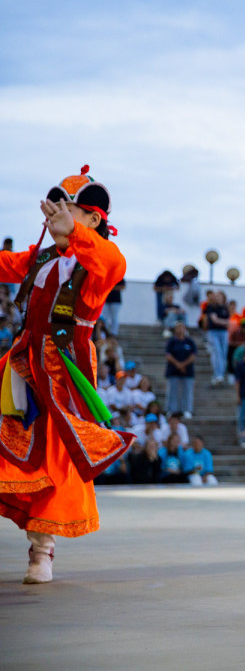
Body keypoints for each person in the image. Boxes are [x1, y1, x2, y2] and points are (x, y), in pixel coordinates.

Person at [0, 167, 134, 583]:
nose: (56, 217)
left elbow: (113, 260)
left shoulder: (97, 266)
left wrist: (75, 235)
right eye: (54, 209)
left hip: (63, 370)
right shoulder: (41, 258)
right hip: (22, 363)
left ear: (93, 220)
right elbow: (6, 264)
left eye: (69, 210)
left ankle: (42, 551)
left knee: (55, 457)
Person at [164, 322, 197, 418]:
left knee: (187, 391)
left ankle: (186, 409)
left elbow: (193, 355)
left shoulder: (189, 342)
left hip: (187, 371)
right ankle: (171, 409)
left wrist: (183, 364)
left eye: (181, 328)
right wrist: (178, 364)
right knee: (172, 391)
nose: (180, 330)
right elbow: (168, 355)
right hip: (173, 370)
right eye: (178, 328)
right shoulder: (171, 342)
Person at [202, 290, 230, 386]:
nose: (217, 298)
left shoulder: (225, 308)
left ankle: (220, 374)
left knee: (223, 353)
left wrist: (223, 322)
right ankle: (218, 374)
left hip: (223, 332)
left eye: (219, 296)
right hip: (213, 332)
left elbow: (228, 321)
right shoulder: (211, 307)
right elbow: (215, 320)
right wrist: (224, 322)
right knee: (217, 352)